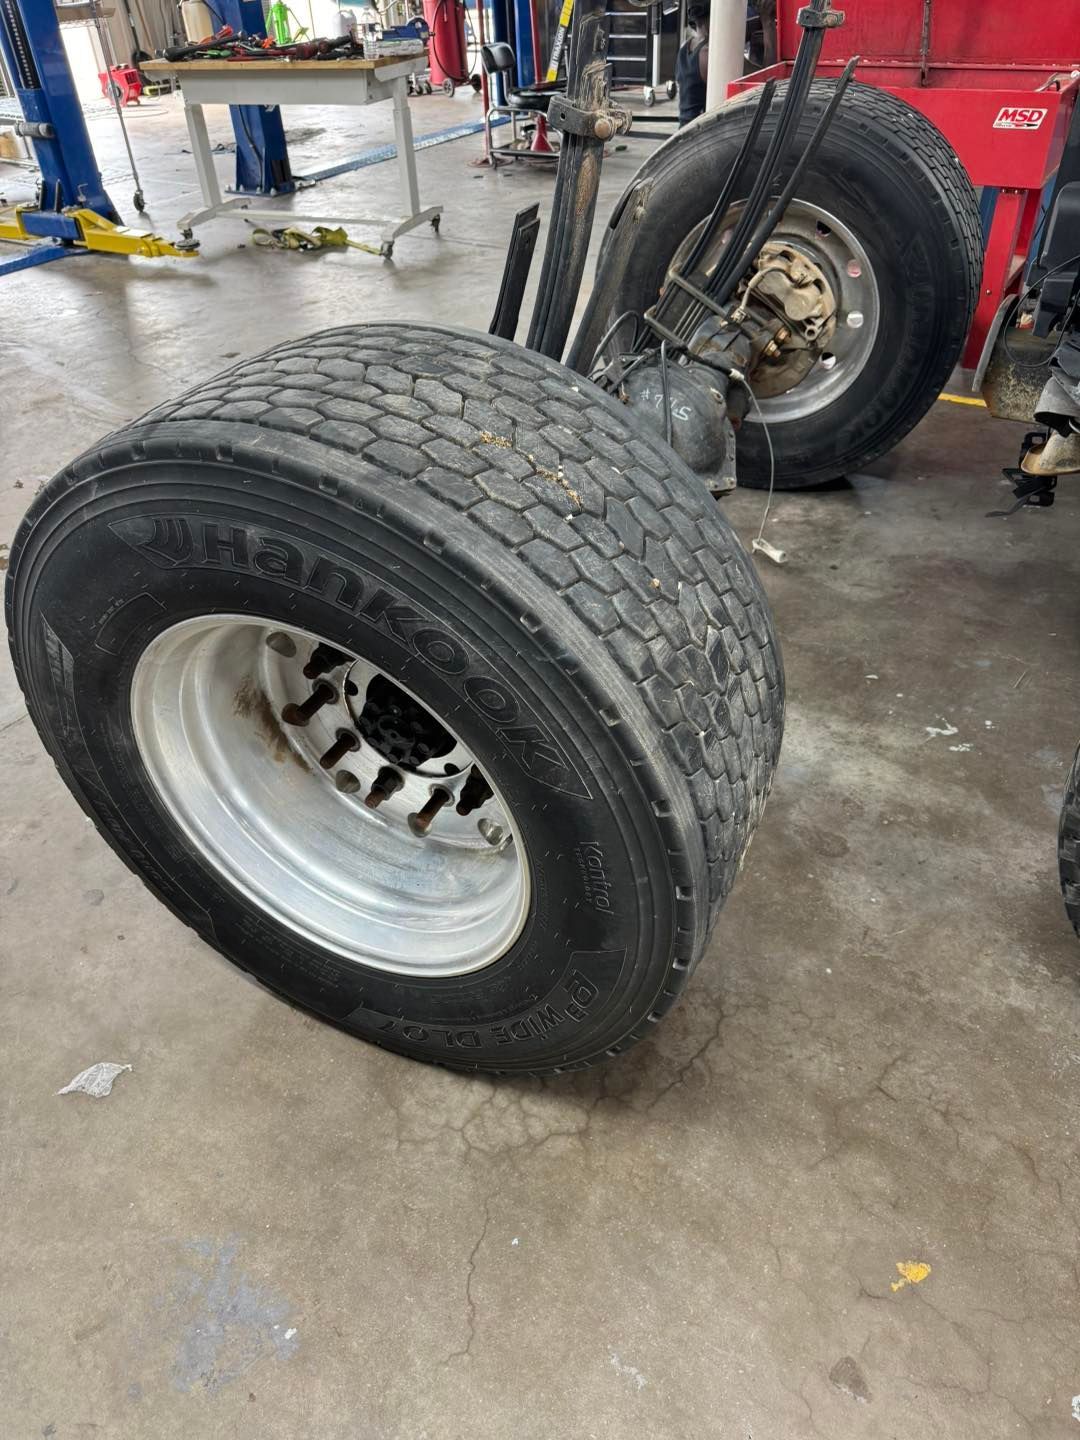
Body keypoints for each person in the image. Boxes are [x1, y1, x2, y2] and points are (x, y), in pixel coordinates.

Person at [675, 1, 709, 126]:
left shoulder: (685, 48)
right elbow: (767, 81)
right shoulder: (709, 53)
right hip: (701, 137)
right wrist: (767, 23)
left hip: (684, 132)